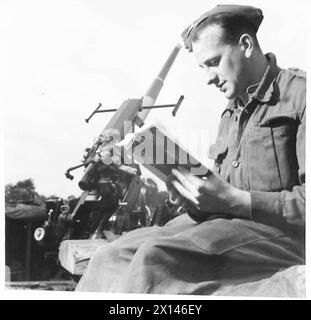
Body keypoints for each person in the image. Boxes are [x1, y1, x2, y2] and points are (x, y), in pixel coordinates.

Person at [75, 4, 305, 294]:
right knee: (108, 257)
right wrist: (191, 193)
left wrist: (237, 200)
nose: (208, 77)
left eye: (213, 62)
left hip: (282, 237)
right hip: (228, 227)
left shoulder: (300, 95)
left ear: (245, 45)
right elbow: (222, 194)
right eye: (202, 67)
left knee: (155, 260)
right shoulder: (230, 115)